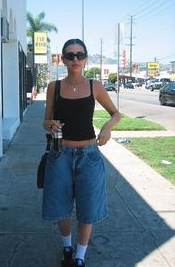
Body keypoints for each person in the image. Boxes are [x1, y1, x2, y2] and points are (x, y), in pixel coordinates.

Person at [42, 38, 121, 267]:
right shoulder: (53, 87)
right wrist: (50, 125)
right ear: (63, 59)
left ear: (86, 58)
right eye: (70, 55)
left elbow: (116, 114)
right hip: (60, 154)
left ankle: (79, 257)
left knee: (88, 207)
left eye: (79, 55)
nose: (75, 59)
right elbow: (45, 120)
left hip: (89, 155)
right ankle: (67, 248)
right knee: (61, 205)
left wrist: (106, 127)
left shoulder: (94, 86)